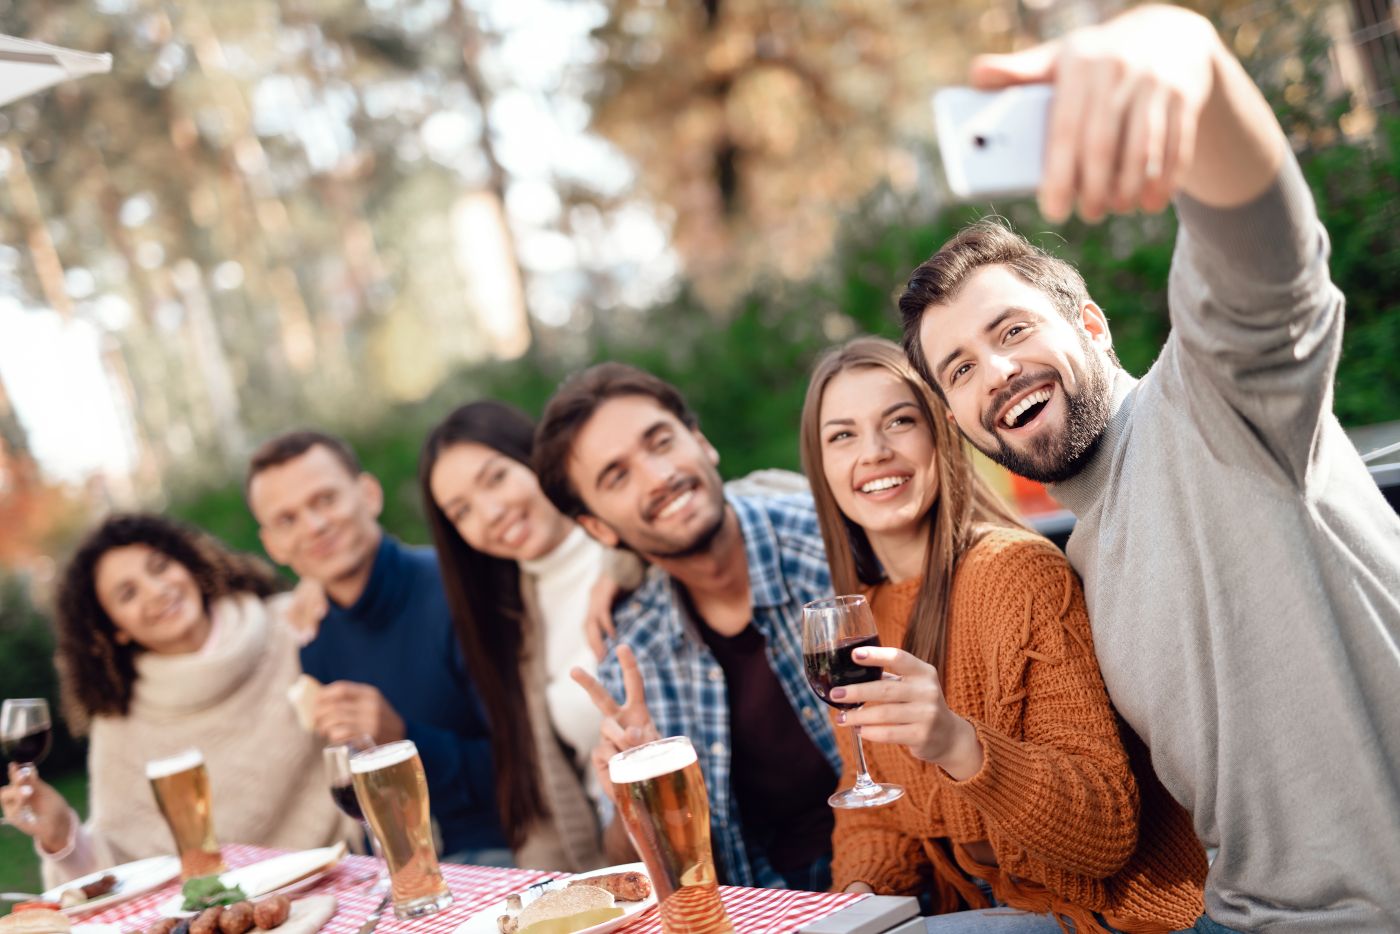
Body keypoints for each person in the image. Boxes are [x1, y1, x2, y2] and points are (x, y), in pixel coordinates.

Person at [897, 7, 1400, 932]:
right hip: (1236, 914)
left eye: (1012, 331)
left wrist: (1192, 62)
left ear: (1091, 326)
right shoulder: (1079, 561)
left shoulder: (1215, 404)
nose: (995, 372)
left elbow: (1269, 251)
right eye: (960, 370)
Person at [802, 337, 1206, 932]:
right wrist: (857, 905)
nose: (875, 452)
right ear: (821, 465)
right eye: (843, 435)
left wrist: (953, 742)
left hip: (1106, 914)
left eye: (899, 422)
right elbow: (876, 815)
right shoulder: (870, 612)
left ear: (941, 432)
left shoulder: (1017, 575)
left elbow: (1105, 832)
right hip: (986, 907)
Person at [536, 363, 839, 890]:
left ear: (701, 441)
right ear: (597, 527)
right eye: (617, 476)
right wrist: (634, 798)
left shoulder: (835, 547)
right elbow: (636, 871)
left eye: (661, 442)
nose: (658, 476)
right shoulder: (632, 652)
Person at [0, 514, 356, 886]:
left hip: (345, 877)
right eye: (128, 593)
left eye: (160, 567)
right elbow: (117, 870)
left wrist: (327, 585)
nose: (155, 591)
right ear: (115, 628)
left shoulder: (292, 622)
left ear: (187, 565)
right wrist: (61, 837)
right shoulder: (121, 718)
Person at [245, 430, 508, 865]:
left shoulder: (456, 592)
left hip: (497, 850)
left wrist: (403, 737)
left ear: (368, 494)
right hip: (395, 863)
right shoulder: (315, 638)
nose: (314, 526)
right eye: (288, 520)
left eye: (325, 500)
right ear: (272, 545)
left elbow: (530, 771)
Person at [420, 399, 645, 872]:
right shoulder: (510, 621)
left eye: (496, 477)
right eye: (462, 511)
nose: (491, 512)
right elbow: (538, 799)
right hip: (624, 854)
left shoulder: (637, 537)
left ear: (532, 456)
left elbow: (754, 492)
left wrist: (622, 560)